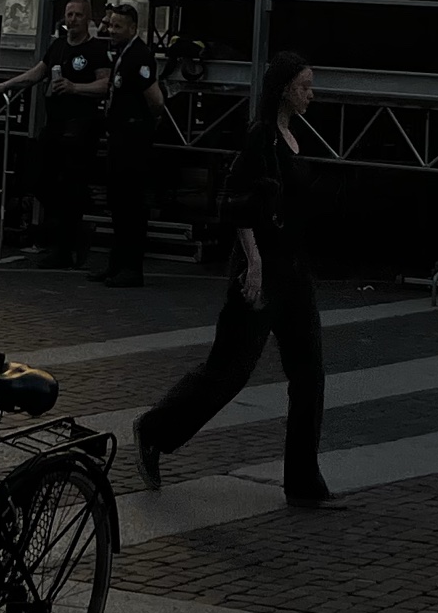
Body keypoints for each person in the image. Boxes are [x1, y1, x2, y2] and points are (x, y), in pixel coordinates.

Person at [134, 48, 330, 508]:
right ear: (285, 89)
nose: (311, 94)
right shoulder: (262, 137)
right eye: (305, 86)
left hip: (295, 271)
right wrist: (253, 262)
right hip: (261, 270)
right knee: (229, 372)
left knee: (309, 375)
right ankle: (155, 430)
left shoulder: (297, 137)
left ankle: (304, 484)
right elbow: (237, 202)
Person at [6, 0, 110, 266]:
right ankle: (70, 231)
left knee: (72, 185)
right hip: (54, 124)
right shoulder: (58, 46)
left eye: (78, 15)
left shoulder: (96, 49)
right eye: (69, 14)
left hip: (81, 127)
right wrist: (5, 85)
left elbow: (105, 84)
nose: (72, 20)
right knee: (35, 177)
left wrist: (76, 88)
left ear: (88, 19)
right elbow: (36, 73)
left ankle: (65, 248)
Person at [99, 4, 165, 285]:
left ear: (132, 28)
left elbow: (156, 100)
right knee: (117, 202)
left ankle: (132, 267)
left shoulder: (139, 56)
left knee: (131, 203)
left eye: (118, 26)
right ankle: (116, 263)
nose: (112, 31)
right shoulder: (121, 53)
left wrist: (141, 124)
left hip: (133, 139)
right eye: (111, 25)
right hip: (118, 136)